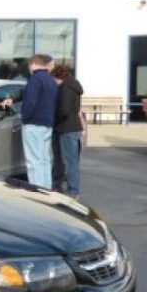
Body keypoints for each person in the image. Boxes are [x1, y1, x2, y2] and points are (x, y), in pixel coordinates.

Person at [12, 53, 57, 189]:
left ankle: (36, 191)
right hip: (47, 124)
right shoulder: (50, 80)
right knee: (44, 160)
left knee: (33, 161)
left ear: (33, 64)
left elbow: (30, 102)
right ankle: (46, 189)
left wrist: (24, 118)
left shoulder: (35, 79)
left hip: (33, 124)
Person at [51, 64, 84, 199]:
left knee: (70, 162)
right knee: (71, 160)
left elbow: (63, 110)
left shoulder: (65, 88)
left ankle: (73, 191)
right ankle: (64, 186)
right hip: (72, 127)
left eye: (54, 79)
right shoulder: (74, 86)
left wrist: (54, 119)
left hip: (66, 128)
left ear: (59, 77)